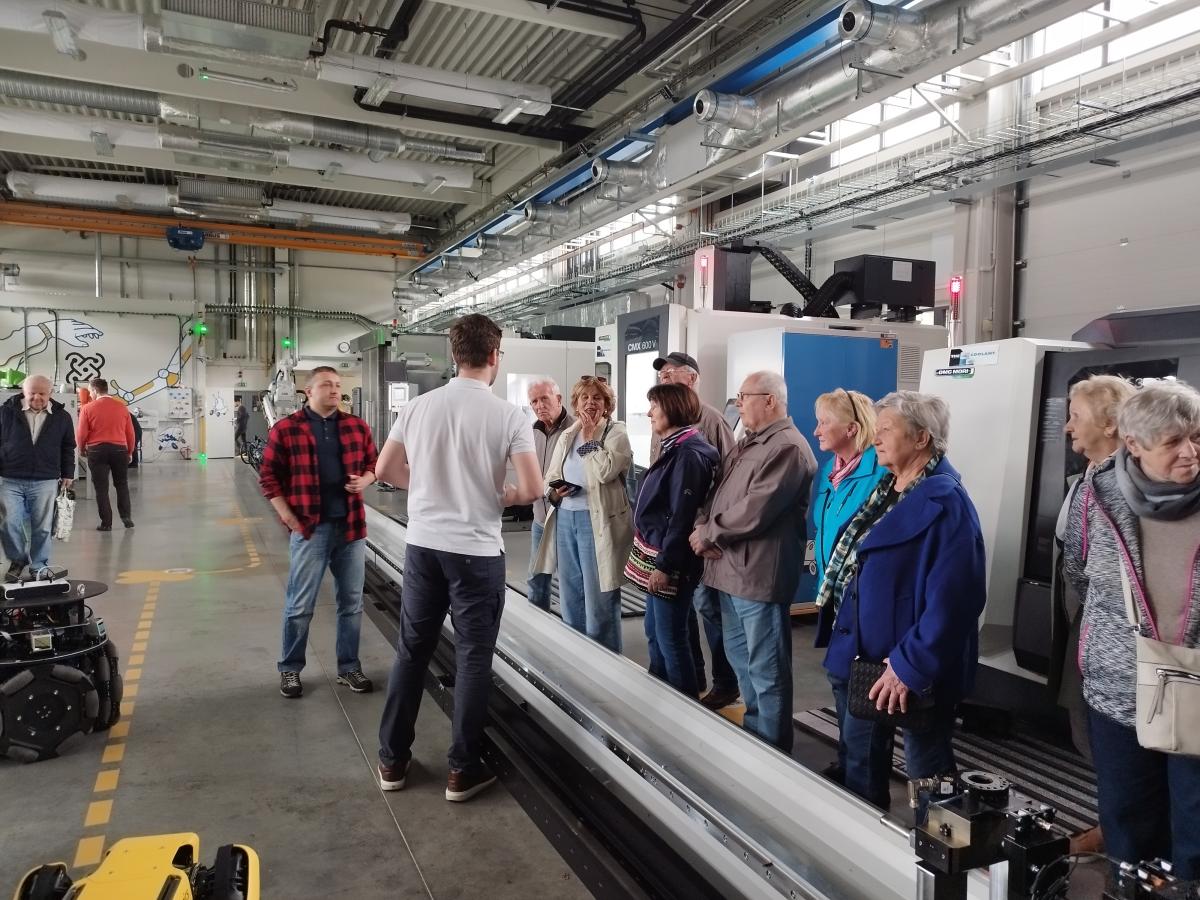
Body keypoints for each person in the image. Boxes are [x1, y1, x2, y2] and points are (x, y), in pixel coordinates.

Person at [376, 314, 541, 802]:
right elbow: (532, 488)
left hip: (424, 546)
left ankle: (392, 761)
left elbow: (385, 469)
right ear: (494, 356)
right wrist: (500, 495)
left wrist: (429, 486)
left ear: (454, 356)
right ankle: (461, 771)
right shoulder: (510, 416)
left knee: (412, 651)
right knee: (472, 658)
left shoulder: (418, 407)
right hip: (476, 553)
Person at [816, 391, 986, 809]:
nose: (876, 437)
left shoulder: (946, 502)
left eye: (887, 429)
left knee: (926, 767)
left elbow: (956, 601)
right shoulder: (889, 490)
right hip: (867, 660)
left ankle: (936, 844)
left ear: (921, 438)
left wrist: (909, 666)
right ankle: (864, 836)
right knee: (860, 761)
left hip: (909, 666)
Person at [1062, 379, 1200, 878]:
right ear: (1134, 444)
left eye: (1197, 438)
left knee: (1195, 827)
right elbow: (1078, 573)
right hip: (1120, 690)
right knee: (1128, 823)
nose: (1190, 453)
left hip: (1198, 691)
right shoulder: (1096, 495)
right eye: (1173, 442)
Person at [689, 371, 816, 751]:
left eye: (744, 396)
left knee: (766, 670)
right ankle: (756, 741)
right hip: (729, 572)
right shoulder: (748, 442)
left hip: (758, 577)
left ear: (770, 401)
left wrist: (709, 533)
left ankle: (773, 753)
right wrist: (701, 525)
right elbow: (717, 493)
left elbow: (756, 510)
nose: (738, 403)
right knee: (743, 663)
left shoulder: (788, 448)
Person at [260, 366, 379, 700]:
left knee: (351, 604)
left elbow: (374, 464)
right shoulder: (287, 429)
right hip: (311, 529)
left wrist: (365, 480)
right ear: (309, 391)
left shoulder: (357, 427)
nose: (335, 390)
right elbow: (268, 476)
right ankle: (290, 668)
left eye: (338, 385)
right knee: (300, 604)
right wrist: (288, 516)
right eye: (327, 385)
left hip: (351, 529)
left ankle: (349, 667)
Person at [652, 350, 739, 710]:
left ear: (691, 379)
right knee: (680, 618)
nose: (664, 379)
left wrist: (707, 528)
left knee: (709, 610)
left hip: (698, 537)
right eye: (661, 376)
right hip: (674, 537)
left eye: (670, 374)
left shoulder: (711, 421)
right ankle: (693, 676)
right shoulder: (666, 421)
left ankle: (725, 682)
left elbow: (727, 479)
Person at [810, 388, 884, 782]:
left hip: (864, 604)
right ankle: (848, 764)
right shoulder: (830, 470)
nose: (817, 430)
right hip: (836, 597)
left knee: (861, 694)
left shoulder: (880, 473)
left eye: (824, 422)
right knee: (841, 683)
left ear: (852, 429)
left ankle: (864, 785)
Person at [534, 376, 633, 652]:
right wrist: (555, 491)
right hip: (566, 518)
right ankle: (575, 655)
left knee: (600, 595)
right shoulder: (569, 433)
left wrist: (590, 440)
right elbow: (550, 475)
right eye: (584, 398)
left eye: (597, 398)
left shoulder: (616, 432)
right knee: (571, 592)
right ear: (576, 404)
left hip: (596, 522)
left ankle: (606, 657)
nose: (590, 403)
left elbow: (605, 471)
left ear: (607, 404)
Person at [634, 383, 720, 695]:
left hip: (672, 560)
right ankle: (659, 695)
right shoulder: (675, 447)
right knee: (655, 632)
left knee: (670, 637)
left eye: (654, 407)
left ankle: (683, 705)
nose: (649, 413)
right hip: (661, 553)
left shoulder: (688, 455)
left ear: (672, 409)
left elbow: (681, 516)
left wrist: (665, 566)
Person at [0, 375, 75, 580]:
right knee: (8, 523)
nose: (36, 397)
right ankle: (18, 559)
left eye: (42, 393)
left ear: (50, 393)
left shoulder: (62, 417)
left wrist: (68, 473)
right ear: (23, 392)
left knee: (42, 527)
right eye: (32, 393)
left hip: (45, 479)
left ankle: (39, 565)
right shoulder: (6, 412)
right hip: (10, 478)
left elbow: (68, 446)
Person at [527, 377, 574, 610]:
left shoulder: (575, 429)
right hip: (540, 518)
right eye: (534, 401)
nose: (539, 406)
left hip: (567, 519)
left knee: (569, 581)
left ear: (558, 399)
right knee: (536, 578)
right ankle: (537, 624)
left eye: (544, 399)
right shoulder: (531, 432)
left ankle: (570, 629)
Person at [76, 377, 136, 531]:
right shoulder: (122, 407)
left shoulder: (87, 408)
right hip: (119, 450)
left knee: (101, 488)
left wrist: (81, 448)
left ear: (95, 390)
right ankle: (126, 517)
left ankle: (106, 523)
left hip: (97, 450)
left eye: (90, 391)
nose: (90, 394)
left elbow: (81, 433)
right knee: (122, 484)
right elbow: (130, 433)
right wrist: (130, 451)